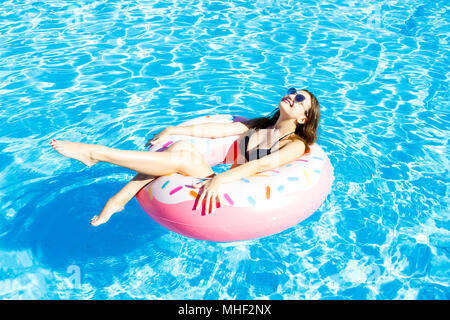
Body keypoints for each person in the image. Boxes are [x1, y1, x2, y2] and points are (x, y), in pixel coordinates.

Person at [50, 88, 320, 226]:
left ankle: (97, 154)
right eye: (291, 92)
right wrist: (174, 129)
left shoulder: (295, 145)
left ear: (303, 117)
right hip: (224, 180)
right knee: (180, 145)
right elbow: (215, 131)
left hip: (235, 191)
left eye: (299, 99)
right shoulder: (261, 124)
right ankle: (117, 196)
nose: (291, 97)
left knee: (181, 156)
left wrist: (221, 179)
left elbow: (261, 165)